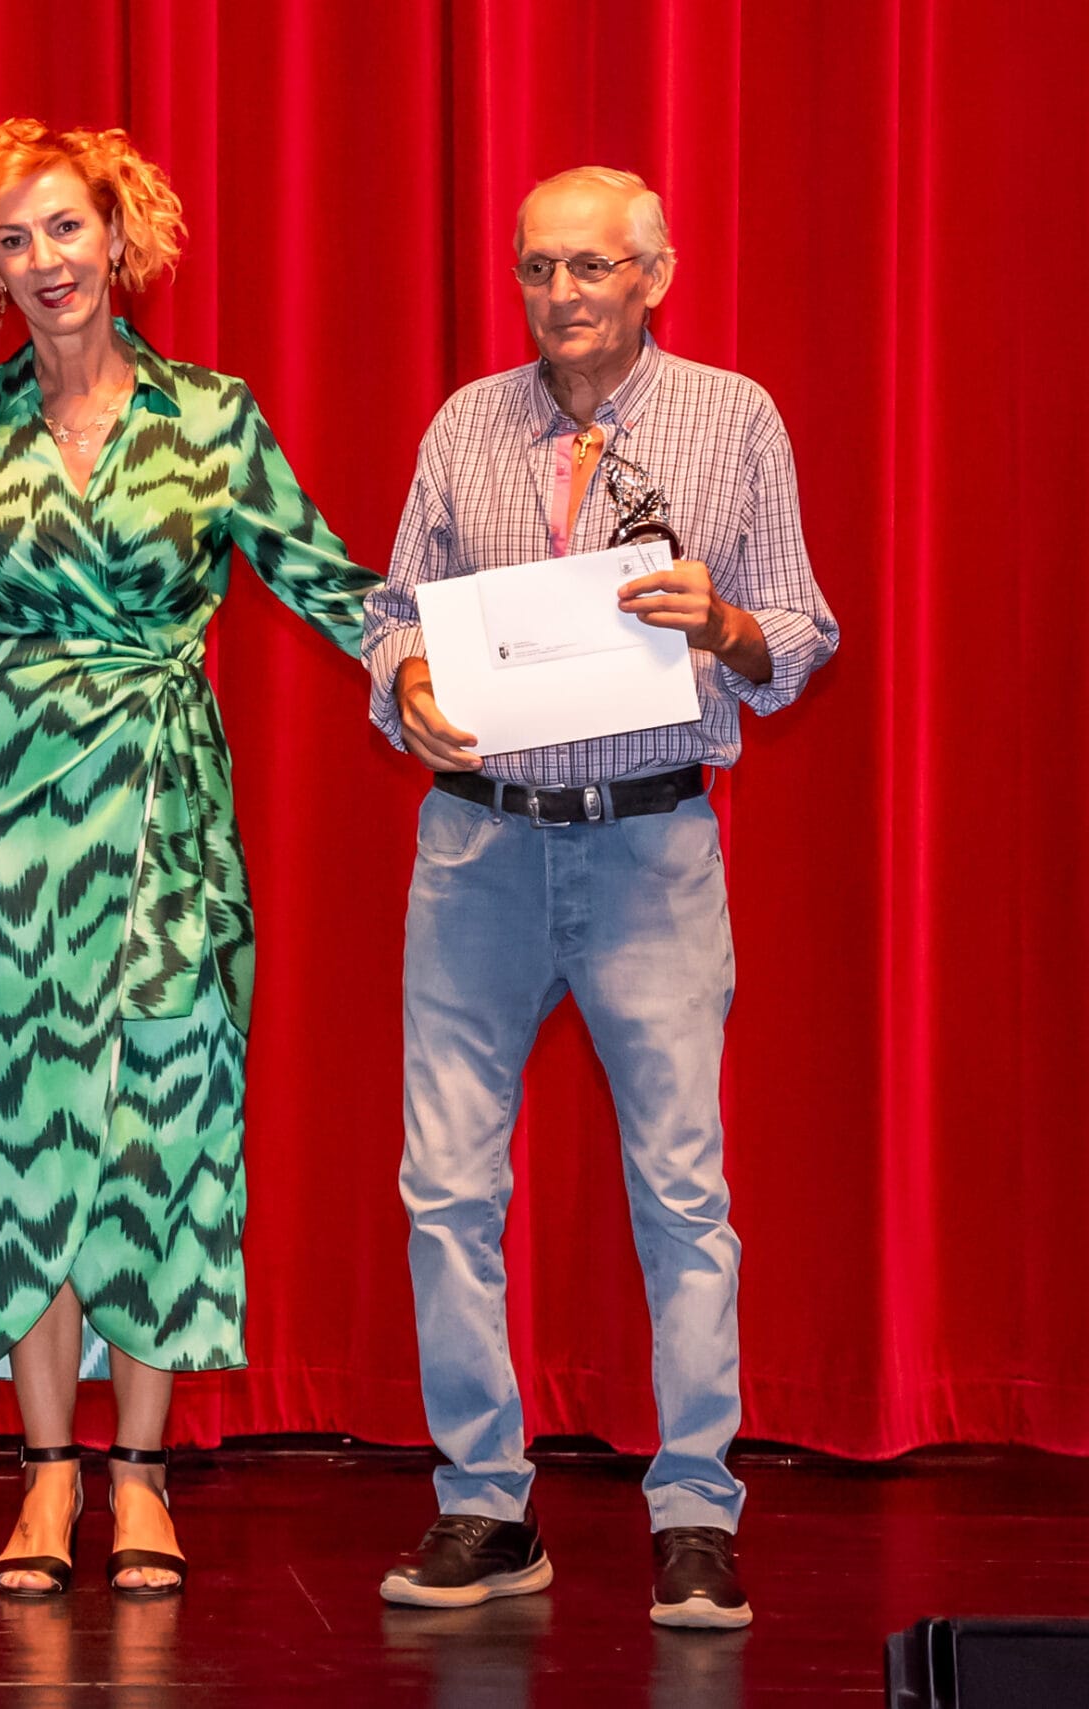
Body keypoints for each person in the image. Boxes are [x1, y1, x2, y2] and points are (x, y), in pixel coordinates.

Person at [0, 119, 378, 1597]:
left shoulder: (212, 415)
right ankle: (44, 1475)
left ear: (118, 236)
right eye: (12, 241)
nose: (44, 262)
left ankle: (142, 1476)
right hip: (9, 816)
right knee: (20, 1129)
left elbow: (328, 579)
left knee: (166, 1120)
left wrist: (443, 667)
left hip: (168, 810)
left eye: (65, 229)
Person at [362, 167, 838, 1630]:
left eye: (590, 266)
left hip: (651, 849)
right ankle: (484, 1504)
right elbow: (390, 616)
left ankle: (695, 1510)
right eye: (538, 268)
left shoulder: (733, 418)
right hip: (479, 848)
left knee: (683, 1191)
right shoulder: (466, 425)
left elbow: (804, 633)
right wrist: (408, 684)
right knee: (447, 1189)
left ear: (654, 275)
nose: (561, 294)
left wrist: (728, 623)